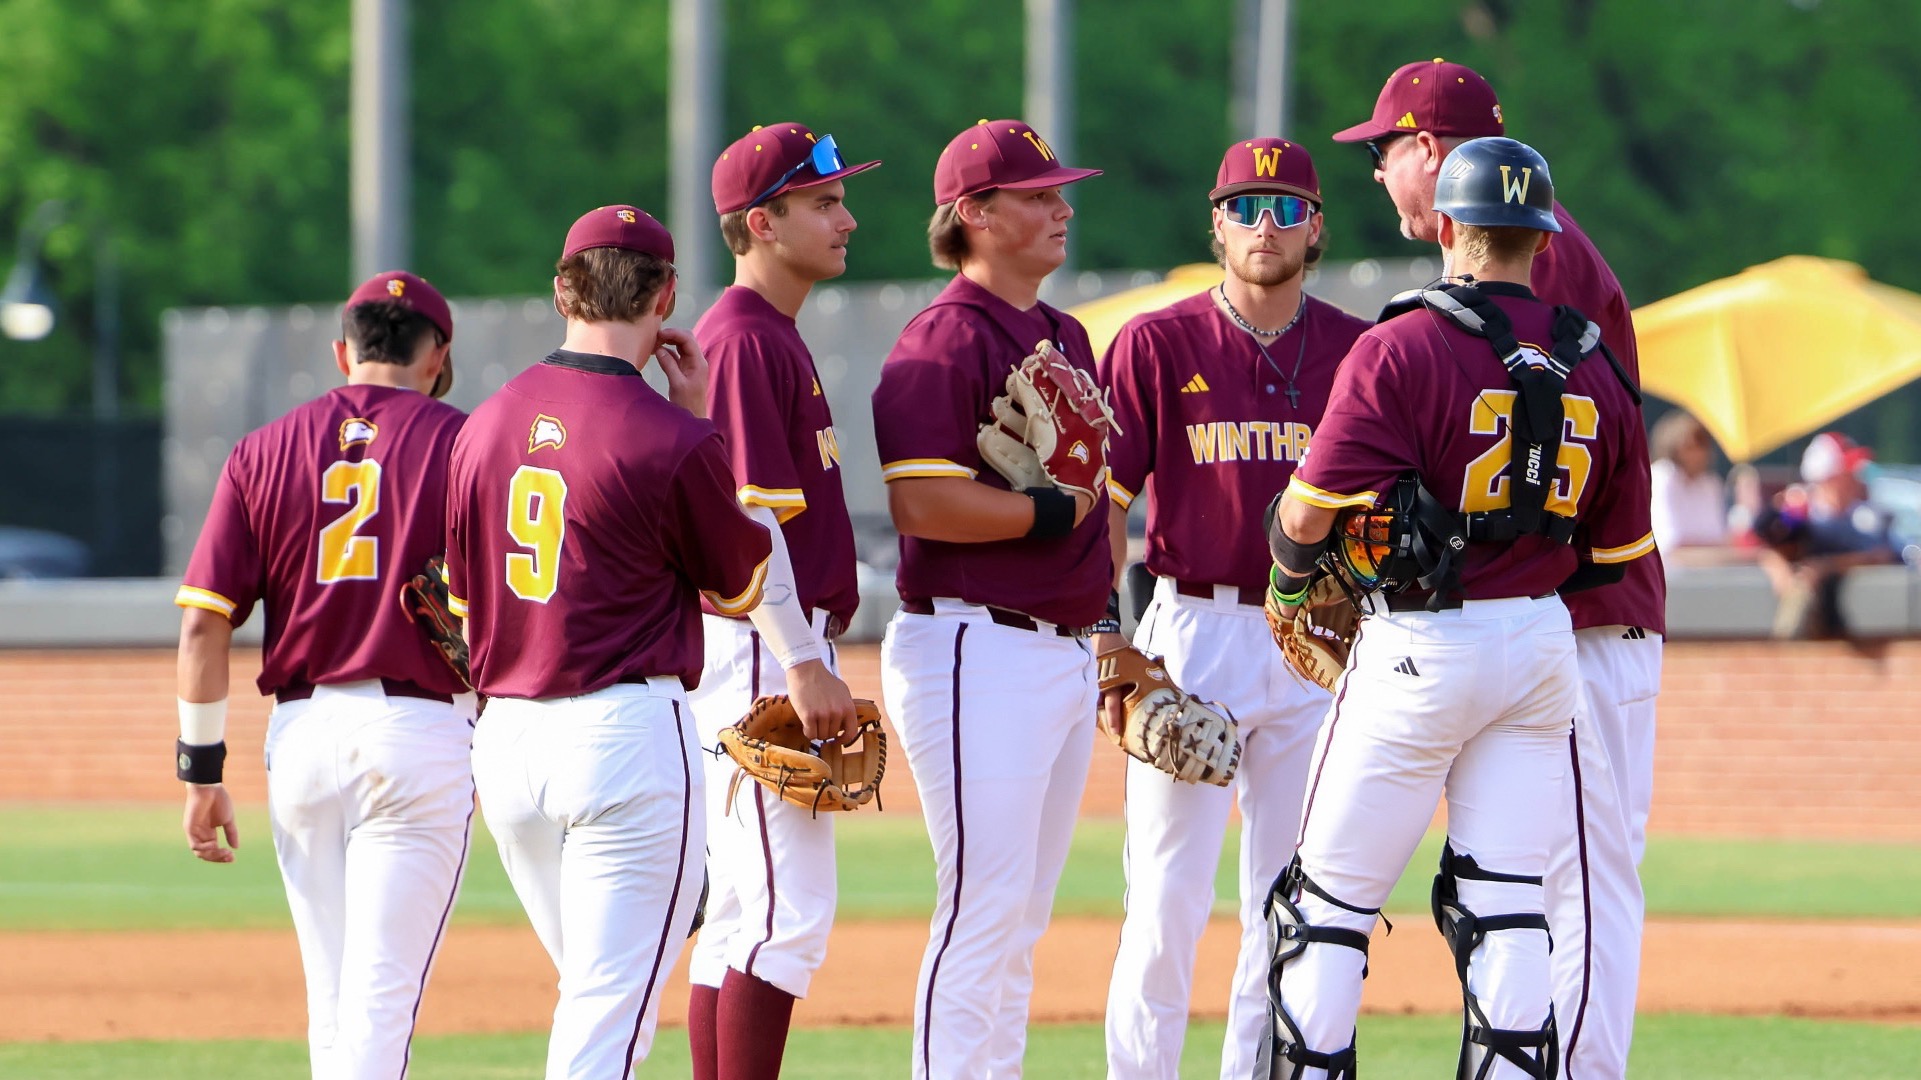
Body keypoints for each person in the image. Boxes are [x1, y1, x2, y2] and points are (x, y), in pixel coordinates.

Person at [1259, 137, 1653, 1079]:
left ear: (1445, 225)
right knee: (1508, 903)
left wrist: (1283, 583)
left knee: (1324, 908)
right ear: (1542, 235)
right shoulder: (1595, 365)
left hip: (1419, 645)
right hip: (1538, 643)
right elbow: (1615, 555)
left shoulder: (1399, 345)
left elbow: (1307, 511)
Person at [444, 205, 775, 1079]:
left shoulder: (481, 425)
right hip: (624, 740)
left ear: (562, 289)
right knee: (606, 1016)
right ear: (666, 296)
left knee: (590, 1000)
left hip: (507, 743)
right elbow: (740, 586)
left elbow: (460, 598)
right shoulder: (668, 435)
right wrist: (701, 416)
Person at [1096, 137, 1370, 1080]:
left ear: (1317, 225)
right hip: (1192, 629)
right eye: (1246, 205)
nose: (1266, 223)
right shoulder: (1156, 341)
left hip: (1314, 636)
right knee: (1166, 903)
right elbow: (1105, 505)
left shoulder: (1354, 350)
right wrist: (1108, 640)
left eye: (1287, 207)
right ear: (1215, 222)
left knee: (1286, 901)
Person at [174, 270, 474, 1080]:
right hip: (417, 730)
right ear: (437, 355)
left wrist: (201, 771)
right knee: (380, 1002)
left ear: (343, 352)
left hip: (301, 739)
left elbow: (204, 621)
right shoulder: (466, 442)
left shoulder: (261, 450)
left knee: (335, 998)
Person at [870, 118, 1108, 1080]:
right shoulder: (941, 340)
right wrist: (1039, 515)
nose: (1061, 207)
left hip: (1058, 645)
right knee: (982, 908)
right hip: (975, 645)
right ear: (971, 213)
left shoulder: (1064, 331)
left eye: (1059, 191)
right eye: (1036, 194)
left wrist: (1105, 625)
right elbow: (919, 501)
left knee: (1019, 918)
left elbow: (1099, 500)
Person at [684, 122, 876, 1080]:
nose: (846, 218)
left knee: (740, 920)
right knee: (783, 918)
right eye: (823, 203)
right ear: (761, 222)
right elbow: (752, 518)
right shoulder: (747, 342)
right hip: (765, 642)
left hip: (763, 637)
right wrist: (802, 657)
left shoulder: (766, 336)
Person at [1755, 431, 1900, 638]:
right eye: (1846, 472)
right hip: (1813, 612)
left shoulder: (1864, 516)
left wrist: (1828, 566)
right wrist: (1780, 569)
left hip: (1851, 616)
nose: (1854, 478)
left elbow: (1884, 555)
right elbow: (1768, 545)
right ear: (1826, 477)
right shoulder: (1800, 513)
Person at [1649, 410, 1731, 560]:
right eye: (1689, 447)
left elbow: (1718, 537)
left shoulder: (1711, 484)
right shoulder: (1661, 477)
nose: (1697, 454)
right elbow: (1669, 543)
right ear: (1673, 448)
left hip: (1707, 573)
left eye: (1702, 446)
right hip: (1669, 575)